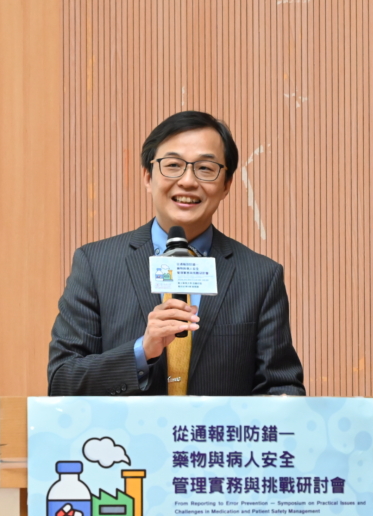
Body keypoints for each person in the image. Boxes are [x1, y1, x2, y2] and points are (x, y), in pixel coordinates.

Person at [48, 111, 304, 396]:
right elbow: (62, 381)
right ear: (148, 176)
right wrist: (142, 350)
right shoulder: (96, 265)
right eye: (173, 165)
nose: (188, 181)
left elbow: (281, 387)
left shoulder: (260, 276)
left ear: (226, 185)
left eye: (205, 168)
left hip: (218, 428)